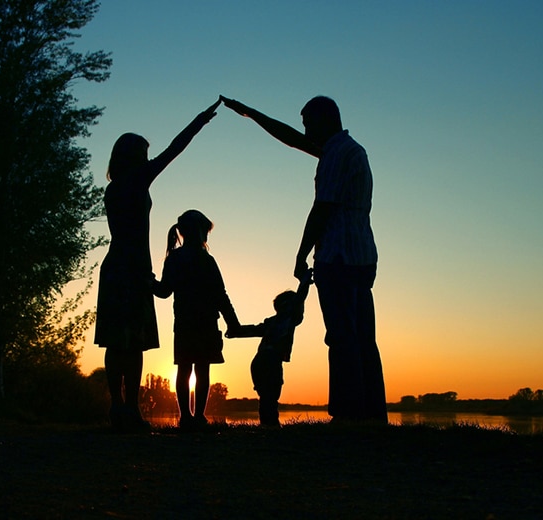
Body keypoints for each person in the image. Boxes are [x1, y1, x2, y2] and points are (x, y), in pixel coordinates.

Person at [221, 95, 386, 422]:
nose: (306, 131)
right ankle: (370, 414)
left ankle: (350, 414)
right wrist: (251, 113)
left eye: (309, 123)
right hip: (360, 254)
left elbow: (322, 208)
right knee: (362, 336)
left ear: (325, 120)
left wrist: (301, 254)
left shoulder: (336, 155)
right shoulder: (348, 149)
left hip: (338, 255)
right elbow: (293, 140)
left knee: (342, 336)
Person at [94, 99, 221, 432]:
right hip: (132, 268)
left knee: (116, 341)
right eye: (144, 154)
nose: (149, 160)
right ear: (134, 157)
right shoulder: (136, 182)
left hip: (116, 265)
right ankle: (129, 409)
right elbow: (174, 150)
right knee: (132, 342)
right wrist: (200, 121)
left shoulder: (112, 189)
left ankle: (119, 408)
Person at [152, 210, 241, 430]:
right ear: (199, 231)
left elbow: (164, 291)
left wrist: (148, 280)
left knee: (184, 369)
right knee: (202, 370)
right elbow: (221, 295)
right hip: (206, 323)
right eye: (206, 231)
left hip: (184, 323)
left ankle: (186, 418)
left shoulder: (175, 258)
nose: (208, 236)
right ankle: (198, 417)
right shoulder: (207, 260)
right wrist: (233, 322)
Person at [225, 269, 313, 427]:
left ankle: (267, 424)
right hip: (271, 361)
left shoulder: (270, 322)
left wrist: (236, 332)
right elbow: (300, 299)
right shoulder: (290, 318)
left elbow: (252, 329)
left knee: (265, 396)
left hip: (258, 361)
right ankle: (271, 425)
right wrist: (304, 282)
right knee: (271, 395)